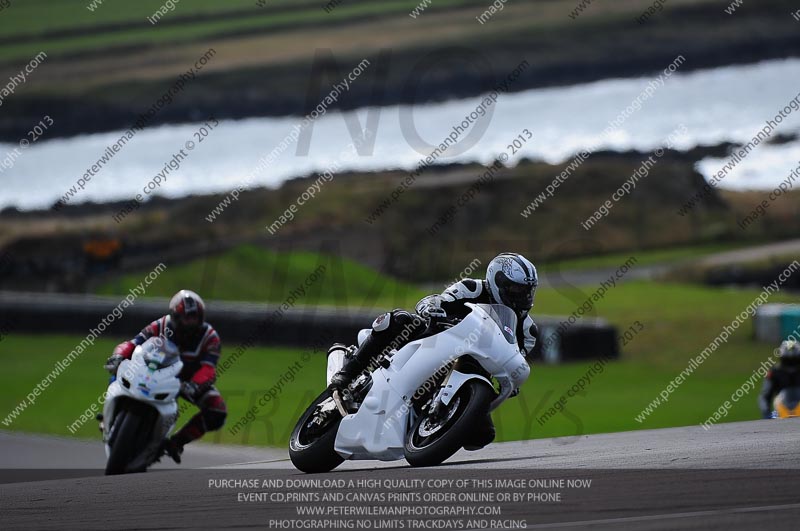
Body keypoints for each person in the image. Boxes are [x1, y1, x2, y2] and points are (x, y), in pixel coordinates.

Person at [328, 252, 539, 448]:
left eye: (528, 290)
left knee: (482, 435)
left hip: (473, 367)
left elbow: (517, 359)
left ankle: (431, 423)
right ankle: (348, 373)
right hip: (436, 339)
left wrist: (513, 381)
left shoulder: (528, 330)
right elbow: (438, 299)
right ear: (498, 282)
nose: (524, 297)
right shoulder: (472, 288)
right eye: (517, 290)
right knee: (398, 320)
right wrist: (431, 306)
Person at [104, 290, 227, 463]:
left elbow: (208, 369)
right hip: (154, 371)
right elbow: (134, 343)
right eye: (187, 317)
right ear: (175, 316)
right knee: (120, 369)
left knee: (217, 410)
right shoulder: (160, 325)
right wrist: (119, 355)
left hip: (187, 381)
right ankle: (110, 415)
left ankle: (176, 443)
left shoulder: (210, 337)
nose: (191, 322)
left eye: (195, 317)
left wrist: (195, 384)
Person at [759, 339, 800, 419]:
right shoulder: (774, 373)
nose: (791, 368)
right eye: (788, 361)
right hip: (780, 409)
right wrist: (767, 412)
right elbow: (765, 396)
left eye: (794, 361)